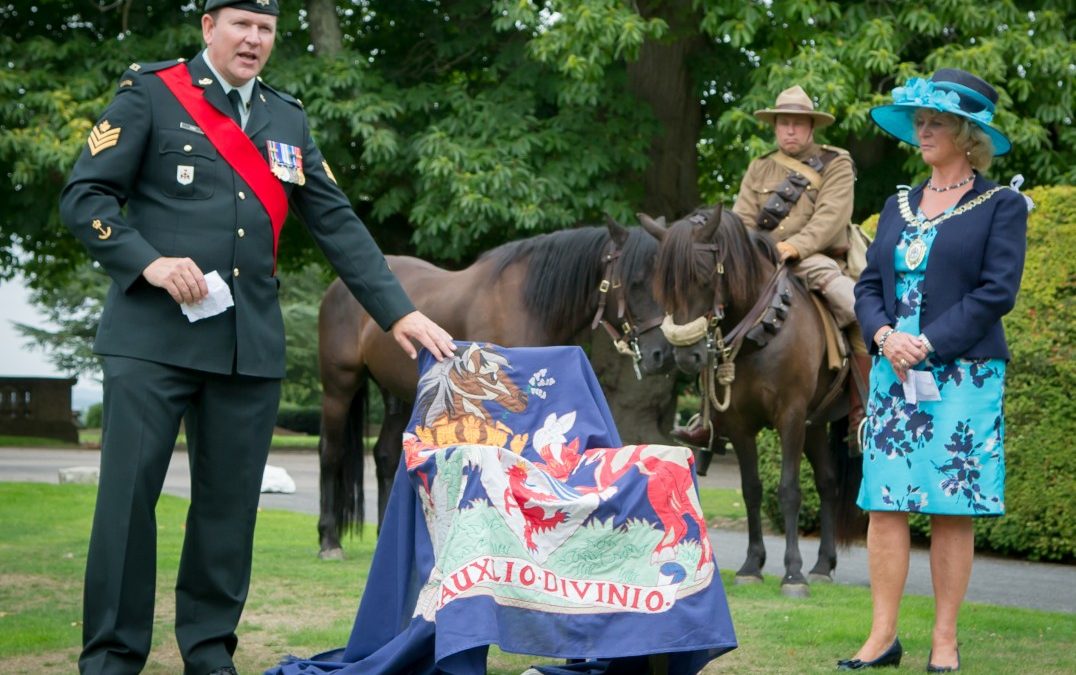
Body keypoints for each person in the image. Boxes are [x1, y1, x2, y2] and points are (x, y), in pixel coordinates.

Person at [59, 2, 455, 673]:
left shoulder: (286, 117)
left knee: (227, 512)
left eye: (266, 28)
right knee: (127, 506)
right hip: (150, 340)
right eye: (241, 24)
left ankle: (211, 652)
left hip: (245, 347)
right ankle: (111, 657)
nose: (254, 39)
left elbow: (339, 225)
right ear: (208, 26)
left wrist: (398, 312)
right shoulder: (149, 95)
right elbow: (84, 197)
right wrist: (148, 260)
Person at [841, 68, 1027, 671]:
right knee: (886, 503)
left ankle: (944, 641)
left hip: (965, 376)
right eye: (918, 121)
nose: (922, 131)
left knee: (952, 506)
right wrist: (886, 335)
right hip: (896, 375)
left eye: (935, 122)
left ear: (967, 134)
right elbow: (869, 286)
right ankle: (881, 638)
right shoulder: (896, 204)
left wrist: (929, 343)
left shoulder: (1000, 205)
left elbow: (997, 293)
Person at [673, 84, 870, 451]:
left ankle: (862, 414)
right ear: (775, 127)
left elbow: (830, 218)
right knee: (711, 314)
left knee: (859, 309)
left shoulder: (836, 163)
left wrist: (794, 247)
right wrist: (745, 257)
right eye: (783, 123)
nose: (790, 130)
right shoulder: (760, 167)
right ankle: (709, 418)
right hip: (758, 262)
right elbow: (742, 219)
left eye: (797, 123)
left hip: (815, 259)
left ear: (812, 127)